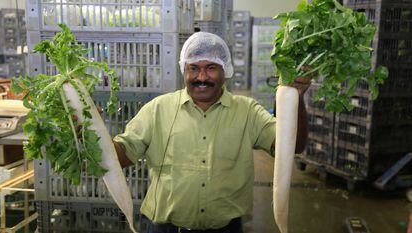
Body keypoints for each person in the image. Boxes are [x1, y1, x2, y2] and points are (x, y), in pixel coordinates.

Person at [112, 32, 311, 233]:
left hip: (226, 229)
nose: (202, 77)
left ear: (225, 71)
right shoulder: (158, 109)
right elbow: (123, 154)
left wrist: (295, 99)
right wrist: (88, 129)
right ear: (184, 70)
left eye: (211, 68)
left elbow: (293, 146)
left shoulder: (247, 111)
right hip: (164, 228)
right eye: (194, 68)